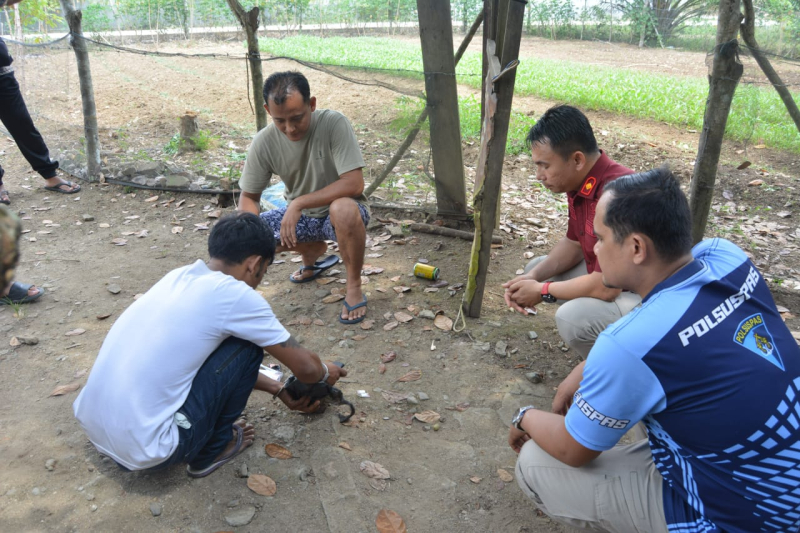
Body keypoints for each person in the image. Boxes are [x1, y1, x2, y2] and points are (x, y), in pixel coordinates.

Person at [509, 167, 800, 532]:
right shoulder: (727, 257)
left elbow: (573, 450)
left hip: (747, 518)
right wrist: (584, 368)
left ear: (636, 248)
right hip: (784, 478)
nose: (595, 249)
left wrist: (524, 416)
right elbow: (669, 310)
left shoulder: (629, 346)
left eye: (600, 239)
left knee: (536, 461)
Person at [73, 212, 347, 478]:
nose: (259, 280)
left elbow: (198, 360)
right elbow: (307, 370)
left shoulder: (178, 276)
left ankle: (186, 434)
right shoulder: (235, 295)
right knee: (248, 346)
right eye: (263, 271)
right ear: (254, 264)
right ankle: (210, 451)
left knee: (221, 342)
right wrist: (325, 372)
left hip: (93, 427)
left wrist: (277, 388)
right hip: (151, 451)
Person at [503, 105, 637, 359]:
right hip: (613, 280)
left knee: (574, 320)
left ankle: (614, 369)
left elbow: (608, 287)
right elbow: (574, 243)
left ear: (577, 160)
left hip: (645, 296)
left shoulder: (617, 195)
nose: (539, 176)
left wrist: (542, 291)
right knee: (539, 266)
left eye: (544, 166)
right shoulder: (581, 183)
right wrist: (531, 278)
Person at [238, 70, 369, 324]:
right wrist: (249, 233)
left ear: (312, 104)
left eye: (297, 118)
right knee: (248, 232)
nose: (289, 128)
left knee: (341, 209)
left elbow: (354, 183)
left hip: (343, 213)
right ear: (268, 110)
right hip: (302, 218)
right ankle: (311, 251)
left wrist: (299, 202)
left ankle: (353, 286)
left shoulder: (334, 124)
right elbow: (249, 197)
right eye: (279, 121)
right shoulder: (263, 142)